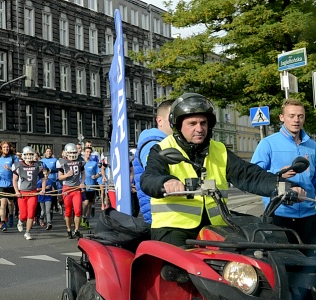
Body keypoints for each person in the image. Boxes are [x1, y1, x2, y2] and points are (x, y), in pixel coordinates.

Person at [141, 93, 305, 247]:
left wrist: (285, 187)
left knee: (250, 252)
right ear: (178, 125)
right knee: (179, 270)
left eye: (203, 123)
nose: (199, 128)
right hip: (173, 227)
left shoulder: (218, 149)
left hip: (215, 226)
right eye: (192, 123)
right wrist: (166, 182)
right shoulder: (163, 149)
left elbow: (249, 175)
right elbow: (149, 178)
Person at [251, 98, 316, 244]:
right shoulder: (268, 143)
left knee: (310, 263)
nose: (296, 120)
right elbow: (254, 176)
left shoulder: (313, 146)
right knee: (284, 261)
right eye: (291, 116)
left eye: (300, 116)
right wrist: (277, 174)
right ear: (282, 118)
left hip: (310, 215)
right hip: (280, 215)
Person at [133, 100, 174, 224]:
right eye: (172, 117)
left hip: (170, 212)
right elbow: (153, 170)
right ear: (160, 121)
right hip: (161, 214)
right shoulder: (153, 143)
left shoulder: (168, 142)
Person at [12, 146, 46, 240]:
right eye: (26, 154)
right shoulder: (18, 165)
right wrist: (16, 191)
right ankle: (20, 221)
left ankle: (27, 232)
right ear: (23, 155)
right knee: (23, 215)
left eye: (30, 154)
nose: (28, 156)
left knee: (31, 214)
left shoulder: (37, 165)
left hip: (33, 192)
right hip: (22, 192)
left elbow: (43, 179)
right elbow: (14, 180)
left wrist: (43, 189)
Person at [56, 143, 86, 239]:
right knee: (68, 211)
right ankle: (69, 230)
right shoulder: (62, 161)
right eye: (71, 152)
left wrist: (82, 182)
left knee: (78, 211)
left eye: (74, 152)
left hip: (76, 188)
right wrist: (67, 175)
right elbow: (60, 177)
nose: (73, 154)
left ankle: (77, 230)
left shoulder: (80, 160)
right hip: (67, 188)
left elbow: (83, 173)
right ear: (66, 153)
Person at [0, 141, 19, 231]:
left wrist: (10, 168)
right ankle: (3, 222)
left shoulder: (13, 157)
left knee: (10, 203)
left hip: (11, 184)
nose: (6, 149)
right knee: (3, 204)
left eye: (7, 147)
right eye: (4, 147)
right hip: (1, 183)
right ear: (1, 148)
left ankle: (11, 215)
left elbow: (18, 169)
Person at [82, 147, 101, 228]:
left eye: (89, 152)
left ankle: (87, 220)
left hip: (92, 186)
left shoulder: (94, 163)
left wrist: (95, 176)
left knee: (90, 204)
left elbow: (99, 173)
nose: (88, 153)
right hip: (84, 186)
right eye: (87, 152)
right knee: (86, 202)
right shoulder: (81, 163)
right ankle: (83, 216)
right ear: (84, 153)